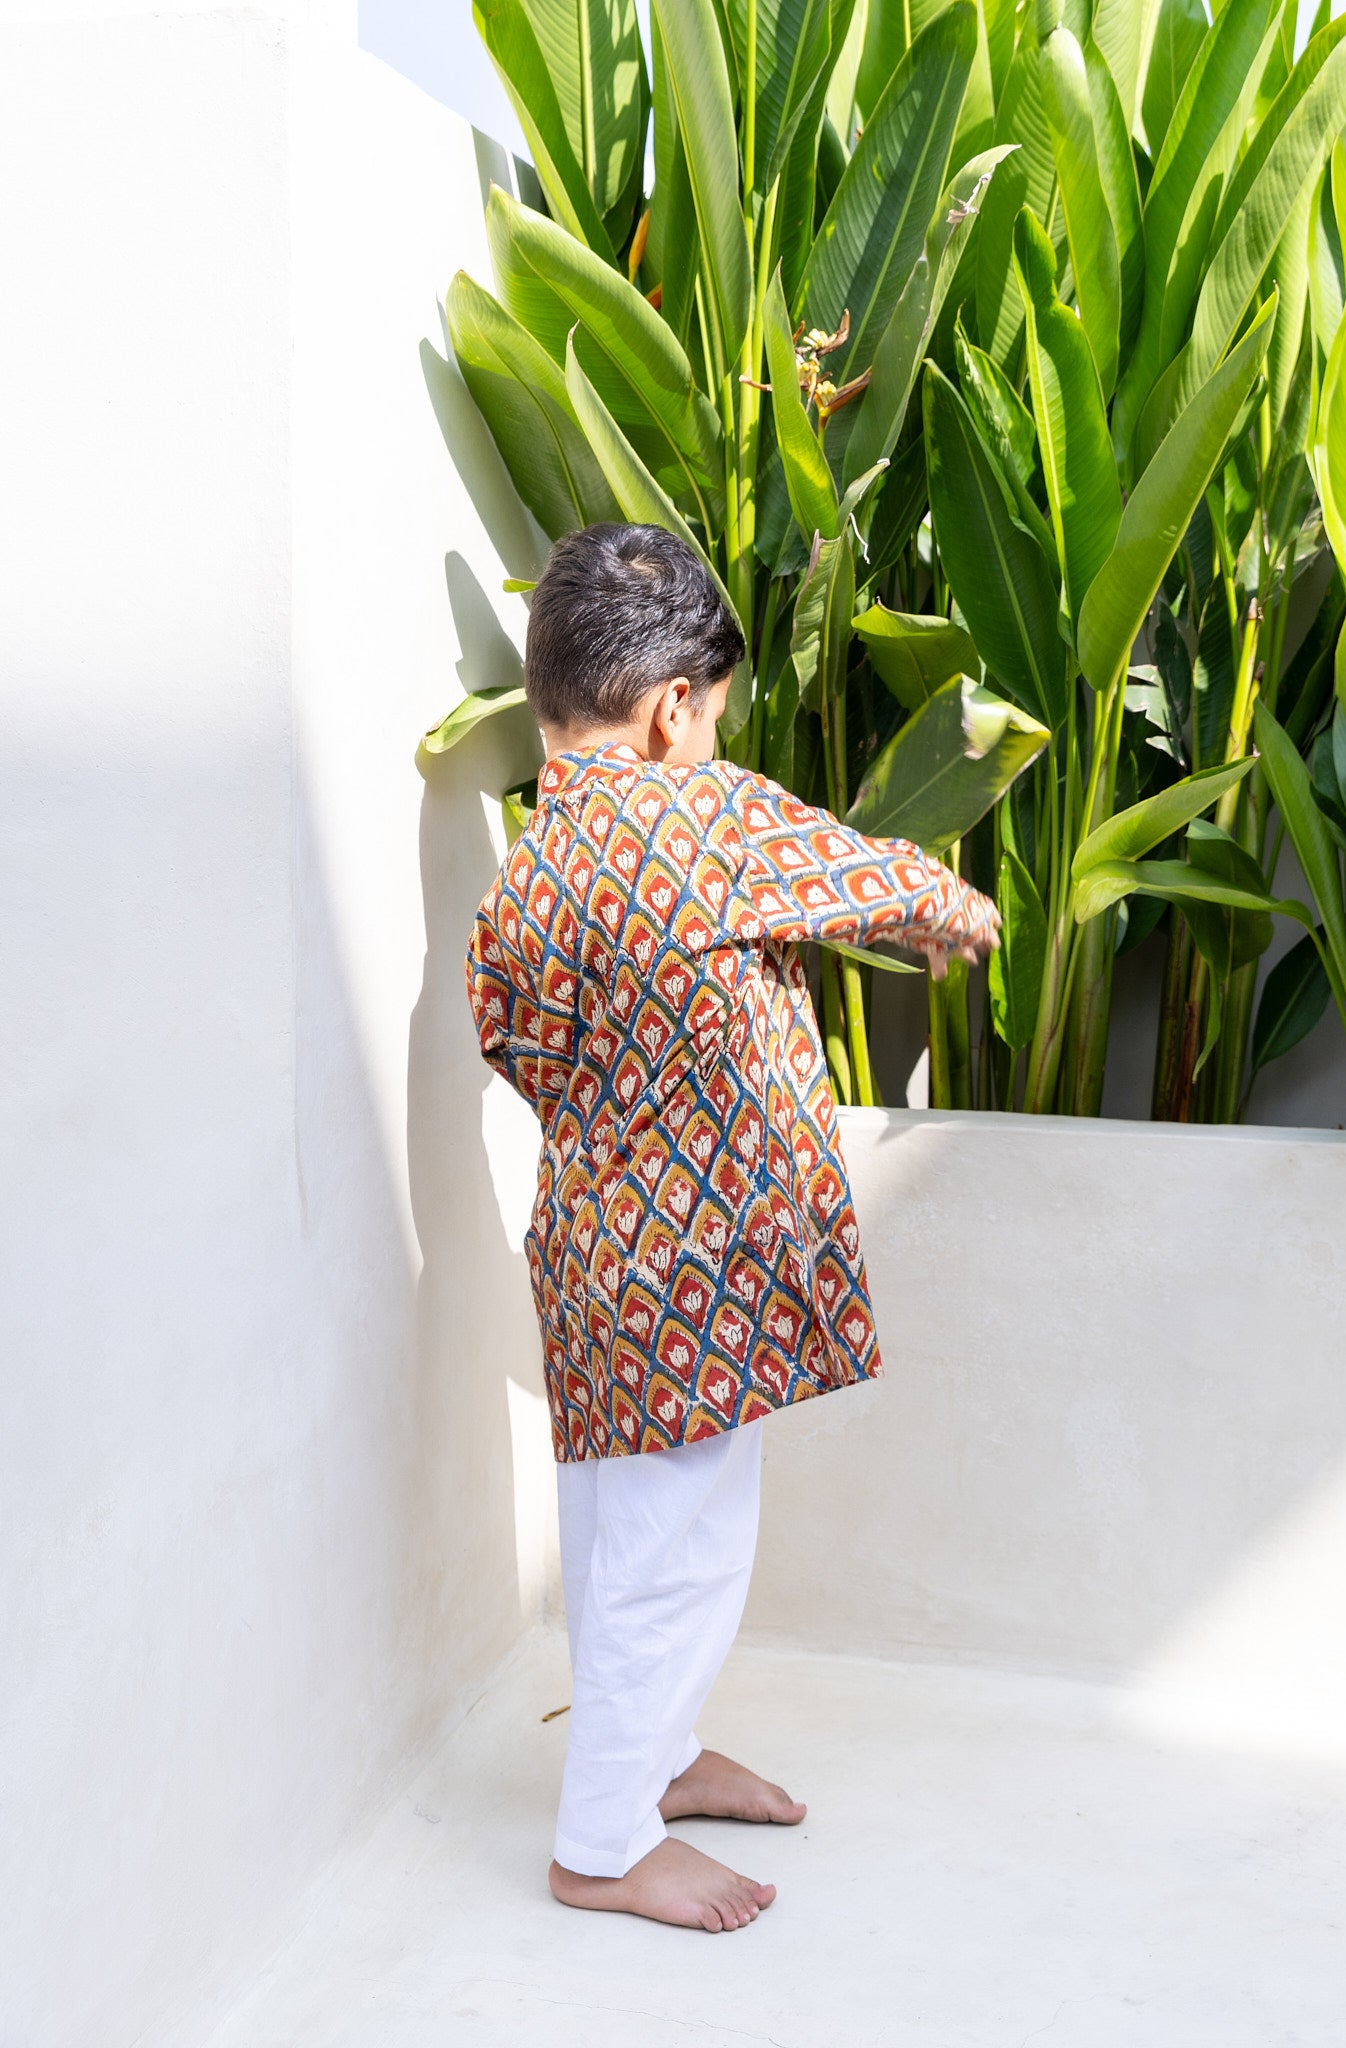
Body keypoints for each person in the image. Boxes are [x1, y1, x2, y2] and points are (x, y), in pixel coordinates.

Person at [465, 523, 1000, 1933]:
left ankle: (660, 1756)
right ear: (671, 709)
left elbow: (511, 1041)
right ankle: (602, 1845)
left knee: (623, 1532)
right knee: (678, 1552)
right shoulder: (705, 816)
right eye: (711, 713)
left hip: (593, 1261)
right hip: (700, 1283)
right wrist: (952, 908)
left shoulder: (525, 874)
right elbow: (856, 868)